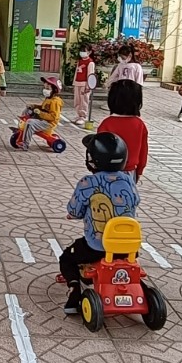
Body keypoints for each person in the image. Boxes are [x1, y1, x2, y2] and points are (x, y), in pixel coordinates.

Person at [59, 132, 140, 315]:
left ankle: (74, 290)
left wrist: (75, 214)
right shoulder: (129, 180)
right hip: (128, 248)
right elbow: (136, 201)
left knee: (67, 258)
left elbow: (74, 210)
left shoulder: (88, 182)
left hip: (96, 247)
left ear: (92, 160)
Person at [96, 79, 148, 181]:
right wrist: (139, 171)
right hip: (130, 171)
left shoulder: (106, 123)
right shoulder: (139, 124)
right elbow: (143, 151)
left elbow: (98, 150)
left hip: (106, 172)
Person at [17, 77, 64, 150]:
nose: (45, 90)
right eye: (45, 88)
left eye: (48, 88)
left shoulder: (55, 102)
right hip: (43, 119)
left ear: (54, 90)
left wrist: (40, 113)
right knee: (27, 111)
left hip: (49, 123)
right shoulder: (48, 98)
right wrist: (34, 106)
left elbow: (53, 116)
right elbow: (43, 108)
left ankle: (25, 144)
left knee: (30, 123)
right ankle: (22, 129)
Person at [72, 48, 96, 126]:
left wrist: (88, 86)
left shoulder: (90, 62)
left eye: (84, 51)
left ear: (89, 52)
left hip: (84, 84)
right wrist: (74, 83)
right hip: (77, 83)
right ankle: (78, 115)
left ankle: (83, 116)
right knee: (77, 100)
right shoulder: (79, 61)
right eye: (81, 51)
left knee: (83, 101)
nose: (82, 52)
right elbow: (76, 73)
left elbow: (90, 74)